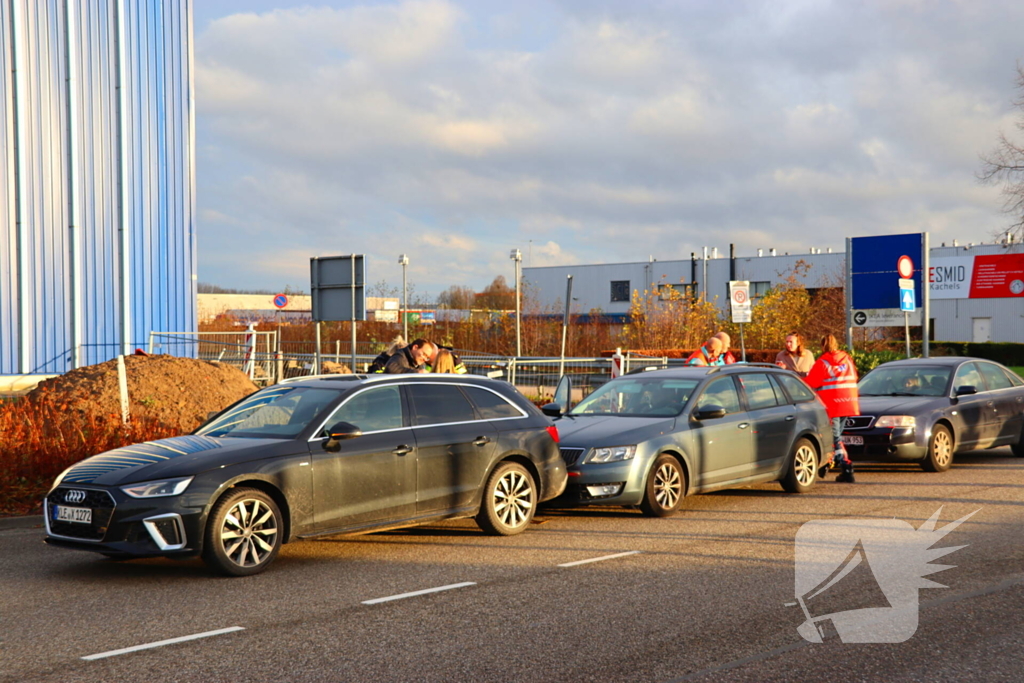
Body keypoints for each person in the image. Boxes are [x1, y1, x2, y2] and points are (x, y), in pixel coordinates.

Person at [805, 334, 860, 483]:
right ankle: (833, 462)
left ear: (822, 346)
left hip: (832, 404)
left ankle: (846, 466)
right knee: (837, 436)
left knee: (834, 438)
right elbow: (855, 376)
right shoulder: (847, 358)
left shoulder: (823, 362)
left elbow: (810, 383)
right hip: (848, 402)